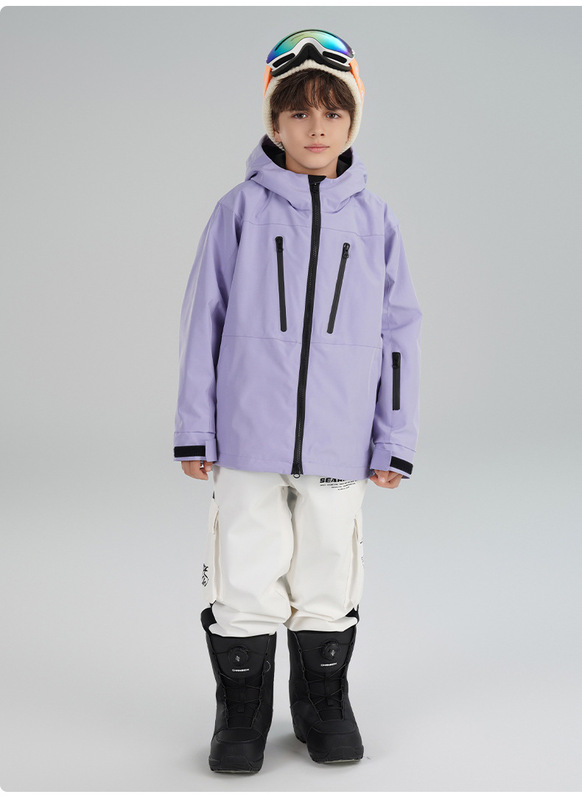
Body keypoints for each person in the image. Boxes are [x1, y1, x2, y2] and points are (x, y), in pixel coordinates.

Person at [173, 29, 422, 774]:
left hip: (342, 439)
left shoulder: (374, 220)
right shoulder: (238, 211)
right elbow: (203, 321)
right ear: (275, 123)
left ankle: (322, 703)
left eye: (333, 113)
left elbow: (399, 335)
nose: (317, 128)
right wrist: (196, 429)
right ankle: (242, 712)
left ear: (352, 122)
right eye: (300, 112)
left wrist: (392, 436)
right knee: (245, 567)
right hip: (247, 434)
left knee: (329, 566)